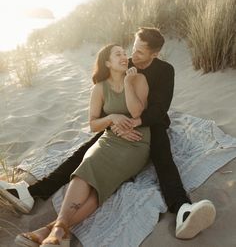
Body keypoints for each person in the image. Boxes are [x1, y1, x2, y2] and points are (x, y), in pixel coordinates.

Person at [0, 27, 216, 241]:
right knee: (84, 152)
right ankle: (32, 192)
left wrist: (133, 122)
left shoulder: (165, 70)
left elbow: (160, 109)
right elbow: (108, 101)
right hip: (119, 124)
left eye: (140, 51)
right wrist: (114, 123)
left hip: (151, 123)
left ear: (155, 54)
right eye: (133, 48)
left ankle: (182, 208)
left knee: (163, 156)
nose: (133, 55)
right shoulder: (127, 63)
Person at [15, 43, 151, 246]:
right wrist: (111, 118)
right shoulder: (99, 88)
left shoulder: (138, 78)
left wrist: (129, 83)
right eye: (118, 54)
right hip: (110, 138)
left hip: (136, 142)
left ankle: (50, 230)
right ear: (107, 62)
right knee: (85, 168)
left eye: (125, 53)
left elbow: (137, 112)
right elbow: (93, 124)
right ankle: (60, 231)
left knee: (102, 185)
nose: (125, 56)